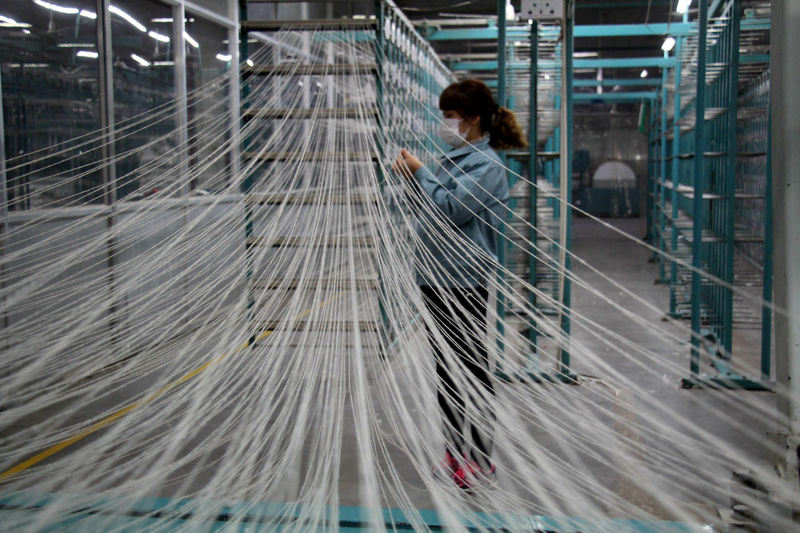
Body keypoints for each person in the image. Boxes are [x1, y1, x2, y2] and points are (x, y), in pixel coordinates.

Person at [393, 79, 528, 490]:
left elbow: (451, 210)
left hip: (463, 283)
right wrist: (411, 177)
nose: (444, 124)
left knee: (469, 368)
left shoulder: (486, 167)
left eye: (449, 117)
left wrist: (420, 173)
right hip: (435, 279)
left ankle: (480, 458)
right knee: (446, 372)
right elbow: (428, 209)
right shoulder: (452, 159)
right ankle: (454, 454)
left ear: (471, 121)